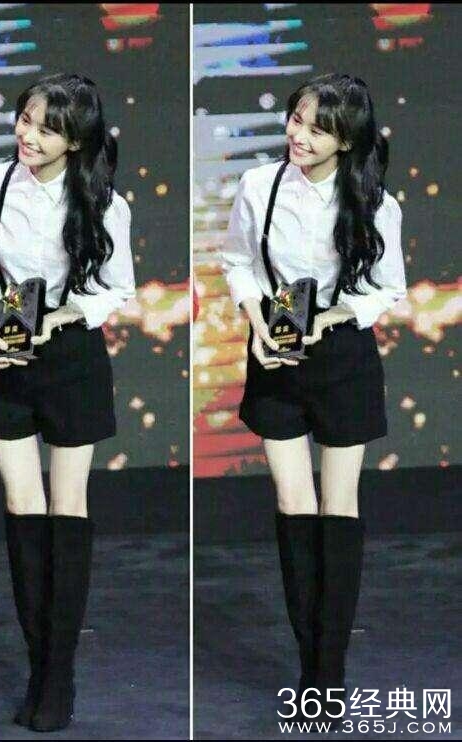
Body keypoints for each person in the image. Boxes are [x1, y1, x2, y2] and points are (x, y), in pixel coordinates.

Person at [0, 73, 135, 732]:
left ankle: (59, 675)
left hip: (70, 358)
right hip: (2, 353)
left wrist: (56, 319)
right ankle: (40, 666)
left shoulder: (104, 203)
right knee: (22, 507)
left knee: (66, 507)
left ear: (75, 139)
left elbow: (116, 287)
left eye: (46, 128)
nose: (28, 135)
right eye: (25, 119)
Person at [218, 73, 407, 727]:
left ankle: (330, 671)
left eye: (318, 128)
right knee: (293, 506)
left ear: (347, 140)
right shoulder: (258, 186)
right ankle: (311, 667)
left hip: (342, 358)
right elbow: (238, 262)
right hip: (274, 354)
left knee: (337, 507)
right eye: (296, 119)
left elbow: (388, 287)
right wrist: (256, 323)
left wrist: (328, 319)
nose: (299, 135)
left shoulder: (375, 202)